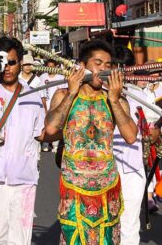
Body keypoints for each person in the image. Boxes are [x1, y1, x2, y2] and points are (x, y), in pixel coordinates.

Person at [45, 39, 137, 245]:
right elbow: (51, 128)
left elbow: (131, 136)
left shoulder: (117, 100)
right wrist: (71, 92)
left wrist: (114, 100)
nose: (104, 70)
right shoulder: (63, 95)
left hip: (108, 187)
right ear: (83, 66)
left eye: (108, 65)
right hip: (74, 187)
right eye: (98, 64)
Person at [0, 36, 49, 244]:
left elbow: (42, 133)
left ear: (20, 62)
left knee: (20, 241)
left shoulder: (32, 95)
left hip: (24, 181)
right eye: (2, 63)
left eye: (12, 62)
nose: (7, 68)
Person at [112, 45, 147, 244]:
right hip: (106, 168)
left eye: (127, 68)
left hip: (133, 169)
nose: (124, 73)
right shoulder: (98, 94)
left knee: (129, 225)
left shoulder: (140, 96)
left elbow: (152, 122)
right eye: (119, 68)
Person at [40, 59, 67, 152]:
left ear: (56, 67)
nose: (50, 69)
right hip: (46, 103)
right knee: (46, 124)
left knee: (56, 124)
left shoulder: (60, 77)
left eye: (52, 67)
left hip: (57, 104)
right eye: (48, 67)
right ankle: (45, 144)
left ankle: (55, 145)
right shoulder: (42, 77)